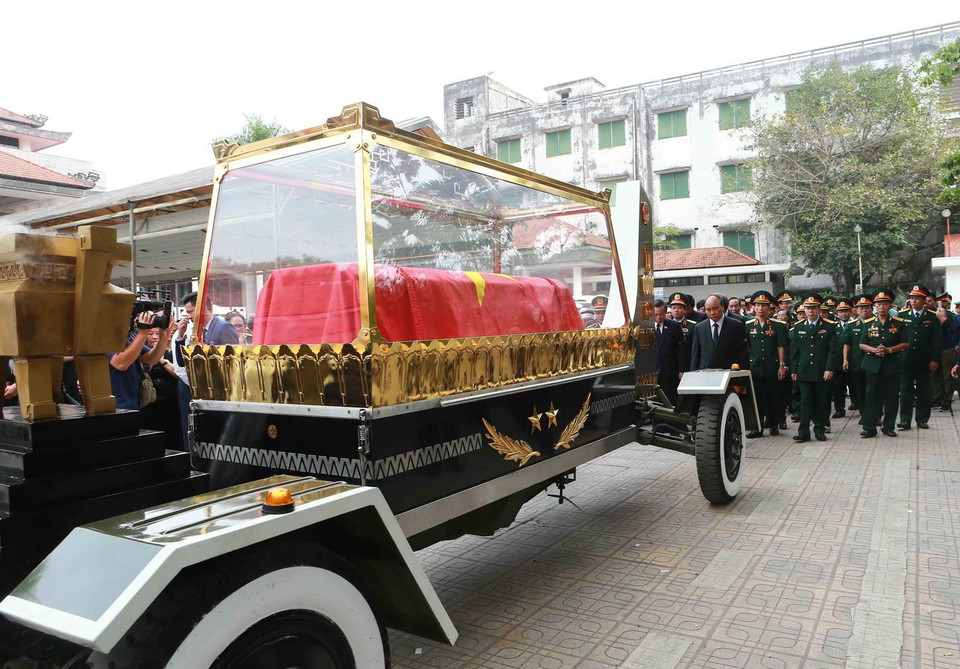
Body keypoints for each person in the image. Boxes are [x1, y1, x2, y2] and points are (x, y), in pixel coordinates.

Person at [789, 293, 839, 443]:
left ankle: (819, 429)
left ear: (819, 309)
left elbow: (833, 351)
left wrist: (829, 369)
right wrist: (793, 370)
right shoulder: (798, 327)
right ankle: (803, 431)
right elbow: (794, 351)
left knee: (821, 401)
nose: (811, 311)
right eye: (808, 308)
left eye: (814, 308)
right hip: (804, 370)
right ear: (804, 309)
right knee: (805, 401)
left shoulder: (829, 326)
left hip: (822, 370)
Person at [859, 289, 909, 437]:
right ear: (874, 306)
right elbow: (862, 344)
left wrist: (890, 350)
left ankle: (888, 427)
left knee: (892, 397)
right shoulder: (868, 323)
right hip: (873, 365)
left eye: (885, 304)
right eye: (879, 304)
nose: (881, 307)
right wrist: (874, 350)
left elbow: (905, 343)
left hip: (892, 364)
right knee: (871, 396)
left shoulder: (899, 323)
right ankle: (869, 427)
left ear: (890, 305)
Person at [108, 309, 175, 412]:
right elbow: (120, 364)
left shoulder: (130, 336)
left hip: (132, 401)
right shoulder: (107, 337)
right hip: (114, 403)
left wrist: (164, 337)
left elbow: (152, 359)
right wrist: (143, 333)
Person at [745, 290, 788, 437]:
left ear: (769, 307)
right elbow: (746, 347)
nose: (760, 308)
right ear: (753, 307)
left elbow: (780, 346)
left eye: (763, 305)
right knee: (756, 398)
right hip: (755, 367)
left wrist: (782, 365)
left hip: (772, 366)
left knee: (773, 397)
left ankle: (774, 424)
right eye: (758, 305)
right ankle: (757, 428)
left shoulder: (778, 326)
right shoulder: (748, 325)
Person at [898, 283, 941, 430]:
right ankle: (905, 420)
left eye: (917, 298)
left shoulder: (933, 317)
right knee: (905, 392)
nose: (914, 301)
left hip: (924, 361)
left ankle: (922, 419)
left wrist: (935, 359)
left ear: (924, 300)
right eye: (911, 298)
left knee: (924, 391)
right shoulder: (902, 316)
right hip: (906, 360)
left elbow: (936, 341)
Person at [140, 327, 183, 450]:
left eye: (158, 334)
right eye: (150, 334)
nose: (154, 337)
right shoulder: (142, 353)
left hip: (172, 402)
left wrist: (161, 359)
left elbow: (178, 374)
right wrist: (153, 356)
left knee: (172, 434)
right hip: (150, 403)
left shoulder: (172, 351)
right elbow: (144, 372)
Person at [690, 294, 750, 371]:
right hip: (705, 373)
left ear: (722, 307)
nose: (712, 312)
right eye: (708, 310)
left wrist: (743, 374)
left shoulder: (736, 325)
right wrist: (693, 373)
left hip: (729, 372)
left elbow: (743, 354)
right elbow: (695, 355)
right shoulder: (699, 327)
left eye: (715, 308)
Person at [846, 294, 873, 421]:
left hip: (873, 362)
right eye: (861, 308)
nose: (864, 310)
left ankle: (876, 414)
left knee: (873, 390)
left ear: (871, 308)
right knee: (860, 390)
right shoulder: (851, 325)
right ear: (856, 310)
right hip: (857, 362)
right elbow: (846, 343)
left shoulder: (877, 322)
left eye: (867, 307)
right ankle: (864, 415)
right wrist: (845, 359)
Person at [653, 299, 686, 405]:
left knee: (670, 400)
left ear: (666, 312)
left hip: (670, 370)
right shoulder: (645, 327)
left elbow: (681, 350)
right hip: (652, 372)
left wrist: (681, 370)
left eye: (661, 314)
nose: (658, 317)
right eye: (655, 314)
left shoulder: (674, 326)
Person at [933, 292, 958, 411]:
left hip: (948, 347)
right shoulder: (933, 314)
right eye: (945, 302)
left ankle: (945, 401)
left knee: (947, 375)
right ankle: (938, 399)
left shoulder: (949, 315)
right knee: (937, 375)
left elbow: (955, 329)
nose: (947, 304)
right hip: (938, 348)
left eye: (948, 303)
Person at [831, 297, 856, 418]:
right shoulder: (833, 326)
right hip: (838, 362)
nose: (844, 314)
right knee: (838, 387)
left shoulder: (856, 324)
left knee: (855, 385)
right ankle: (839, 409)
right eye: (841, 311)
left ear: (850, 311)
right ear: (837, 313)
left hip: (854, 361)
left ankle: (858, 404)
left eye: (846, 311)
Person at [668, 292, 697, 375]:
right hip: (670, 365)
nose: (676, 310)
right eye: (673, 308)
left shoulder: (692, 326)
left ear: (685, 310)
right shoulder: (667, 325)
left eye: (679, 308)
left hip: (687, 364)